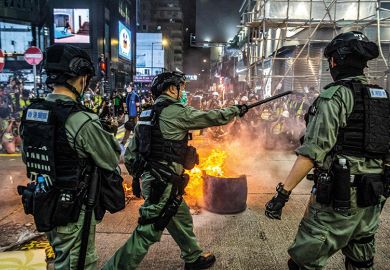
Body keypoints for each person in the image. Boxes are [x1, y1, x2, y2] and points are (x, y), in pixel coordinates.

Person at [265, 31, 389, 269]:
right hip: (372, 197)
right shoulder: (382, 97)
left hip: (340, 199)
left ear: (336, 61)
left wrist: (283, 194)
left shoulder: (334, 97)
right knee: (361, 260)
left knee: (303, 261)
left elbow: (313, 152)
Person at [103, 71, 248, 270]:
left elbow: (130, 154)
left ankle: (193, 257)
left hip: (156, 181)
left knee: (181, 216)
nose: (183, 92)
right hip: (164, 183)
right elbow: (210, 117)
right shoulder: (176, 111)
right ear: (172, 88)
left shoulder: (146, 114)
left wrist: (139, 178)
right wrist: (236, 110)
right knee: (148, 230)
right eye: (182, 87)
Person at [19, 44, 122, 270]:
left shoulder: (33, 112)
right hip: (73, 210)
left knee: (61, 259)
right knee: (78, 263)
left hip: (44, 201)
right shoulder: (81, 119)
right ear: (81, 78)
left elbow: (27, 157)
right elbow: (111, 158)